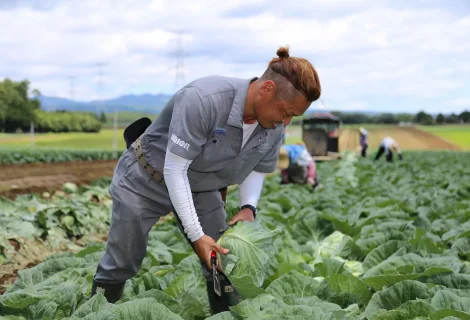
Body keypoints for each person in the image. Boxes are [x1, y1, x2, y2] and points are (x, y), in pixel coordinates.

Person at [90, 46, 321, 314]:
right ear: (267, 89)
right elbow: (175, 170)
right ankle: (96, 311)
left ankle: (224, 315)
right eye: (285, 111)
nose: (287, 121)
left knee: (223, 258)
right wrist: (197, 236)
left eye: (294, 116)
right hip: (146, 178)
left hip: (203, 187)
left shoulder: (275, 125)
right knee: (123, 259)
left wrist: (249, 207)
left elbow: (257, 167)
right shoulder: (203, 99)